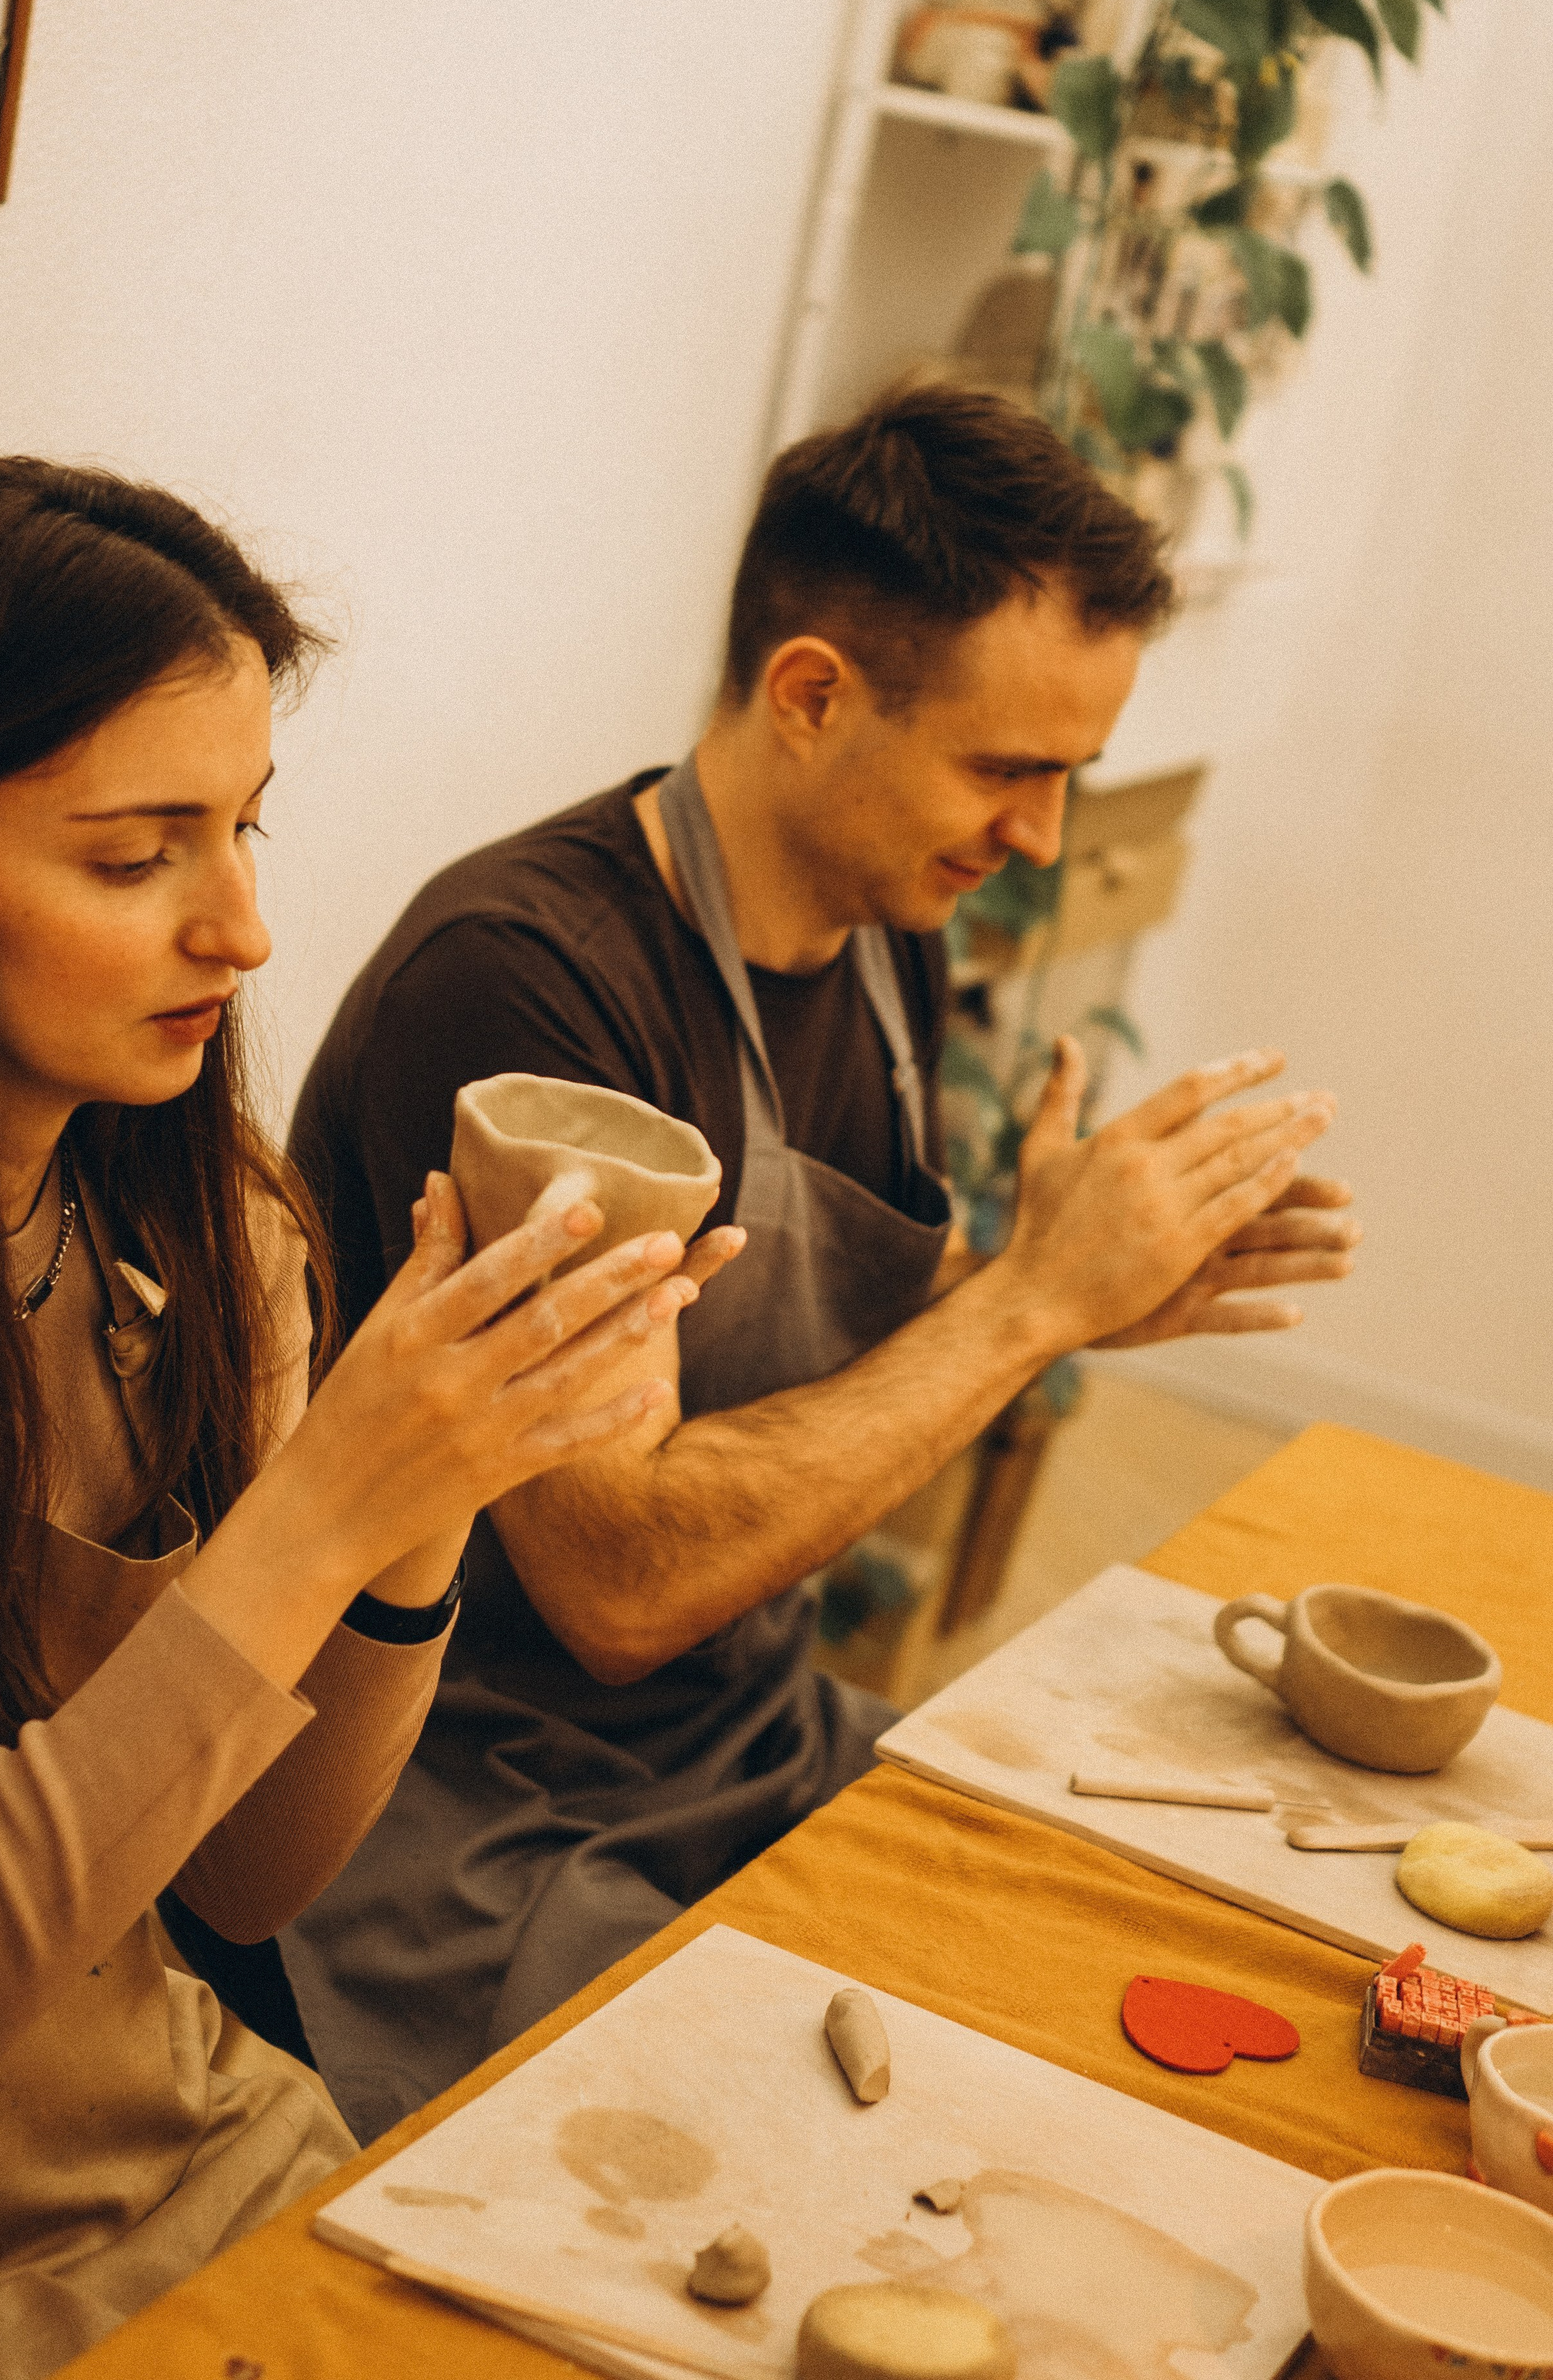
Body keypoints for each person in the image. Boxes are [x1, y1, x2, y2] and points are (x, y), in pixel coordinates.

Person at [277, 382, 1358, 2135]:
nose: (1041, 838)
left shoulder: (878, 926)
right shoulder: (525, 987)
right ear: (810, 697)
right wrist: (1027, 1307)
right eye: (1008, 768)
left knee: (1109, 1962)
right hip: (454, 1799)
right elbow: (618, 1586)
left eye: (1067, 776)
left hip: (741, 1734)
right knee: (854, 2143)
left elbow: (791, 1340)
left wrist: (1089, 1279)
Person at [0, 458, 714, 2380]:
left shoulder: (203, 1232)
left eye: (246, 828)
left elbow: (246, 1885)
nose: (242, 930)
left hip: (196, 2148)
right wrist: (325, 1505)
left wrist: (438, 1487)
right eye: (135, 855)